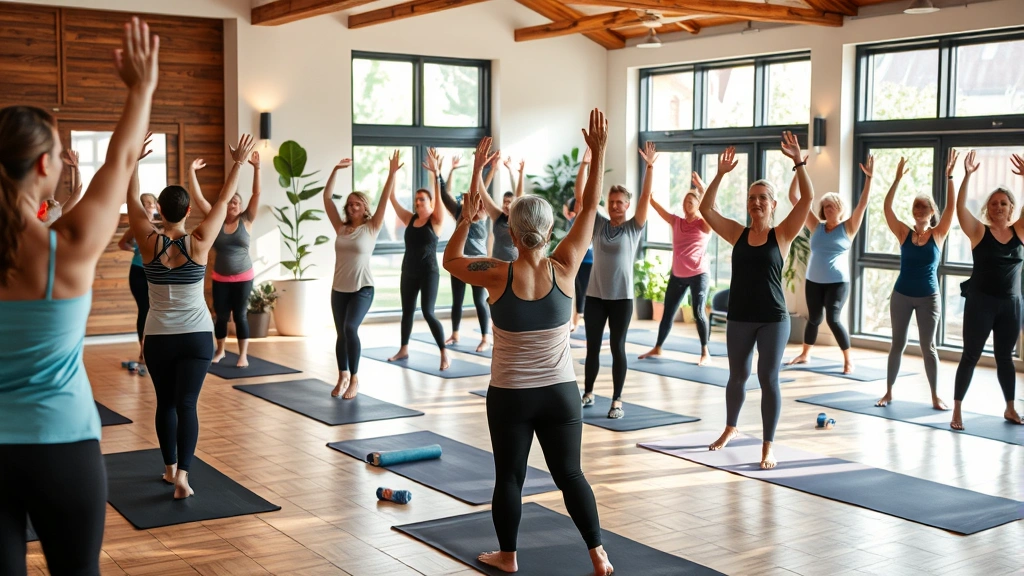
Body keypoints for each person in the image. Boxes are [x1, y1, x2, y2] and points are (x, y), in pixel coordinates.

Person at [0, 17, 157, 575]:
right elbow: (118, 163)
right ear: (46, 165)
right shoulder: (65, 252)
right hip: (60, 447)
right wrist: (141, 89)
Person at [442, 116, 614, 576]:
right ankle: (598, 554)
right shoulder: (567, 264)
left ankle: (509, 556)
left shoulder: (497, 273)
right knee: (571, 475)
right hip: (560, 393)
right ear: (552, 227)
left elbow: (451, 260)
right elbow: (593, 204)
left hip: (511, 397)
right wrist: (597, 154)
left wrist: (466, 213)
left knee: (511, 479)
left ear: (511, 233)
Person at [128, 133, 255, 500]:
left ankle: (168, 469)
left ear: (159, 212)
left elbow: (132, 200)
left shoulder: (147, 240)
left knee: (165, 403)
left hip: (159, 337)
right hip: (197, 335)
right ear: (187, 212)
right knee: (187, 404)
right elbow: (220, 202)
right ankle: (183, 476)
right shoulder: (198, 241)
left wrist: (134, 163)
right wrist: (237, 163)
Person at [699, 133, 813, 469]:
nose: (757, 202)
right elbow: (706, 209)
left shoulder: (783, 234)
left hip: (773, 318)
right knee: (737, 376)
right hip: (740, 316)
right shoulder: (737, 233)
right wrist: (719, 174)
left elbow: (807, 199)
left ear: (773, 204)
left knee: (768, 379)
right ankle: (730, 428)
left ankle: (767, 445)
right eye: (752, 197)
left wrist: (798, 161)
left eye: (763, 197)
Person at [578, 143, 656, 419]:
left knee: (617, 347)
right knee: (592, 347)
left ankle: (617, 400)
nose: (614, 206)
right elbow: (583, 198)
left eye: (619, 202)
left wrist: (649, 167)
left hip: (622, 298)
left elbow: (646, 195)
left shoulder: (634, 227)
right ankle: (588, 392)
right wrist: (585, 166)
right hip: (596, 296)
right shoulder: (598, 224)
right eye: (611, 202)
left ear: (627, 205)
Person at [876, 152, 957, 410]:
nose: (919, 209)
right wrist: (897, 179)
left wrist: (950, 177)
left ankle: (934, 395)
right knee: (897, 344)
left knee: (928, 347)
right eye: (915, 206)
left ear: (932, 211)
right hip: (901, 295)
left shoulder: (938, 234)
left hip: (928, 297)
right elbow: (887, 208)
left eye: (924, 206)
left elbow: (953, 208)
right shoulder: (904, 233)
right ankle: (888, 392)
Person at [950, 150, 1024, 429]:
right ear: (988, 208)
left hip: (1011, 304)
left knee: (1005, 357)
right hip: (981, 302)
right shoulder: (979, 231)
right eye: (994, 203)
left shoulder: (1020, 231)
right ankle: (957, 410)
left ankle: (1010, 408)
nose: (999, 206)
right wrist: (966, 176)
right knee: (971, 354)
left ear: (1011, 207)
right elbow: (960, 210)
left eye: (1004, 203)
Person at [785, 156, 875, 374]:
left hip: (837, 282)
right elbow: (794, 197)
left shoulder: (848, 227)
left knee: (833, 319)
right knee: (814, 318)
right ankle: (805, 354)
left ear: (839, 207)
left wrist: (869, 179)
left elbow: (863, 204)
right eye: (824, 206)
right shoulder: (816, 225)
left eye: (831, 205)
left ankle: (848, 360)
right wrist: (799, 169)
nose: (827, 209)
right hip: (813, 280)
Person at [323, 151, 398, 398]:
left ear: (364, 207)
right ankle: (342, 375)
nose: (353, 207)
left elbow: (385, 198)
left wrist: (391, 174)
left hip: (362, 288)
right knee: (340, 333)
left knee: (350, 328)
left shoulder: (372, 227)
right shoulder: (341, 228)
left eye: (357, 204)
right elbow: (326, 198)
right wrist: (335, 170)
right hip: (339, 289)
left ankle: (355, 379)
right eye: (350, 204)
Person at [638, 174, 712, 366]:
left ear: (698, 204)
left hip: (699, 274)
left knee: (698, 311)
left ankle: (705, 352)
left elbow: (711, 211)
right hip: (678, 274)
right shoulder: (676, 221)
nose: (688, 204)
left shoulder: (704, 225)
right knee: (668, 312)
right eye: (686, 201)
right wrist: (651, 198)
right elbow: (659, 210)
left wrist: (703, 190)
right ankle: (658, 347)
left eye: (692, 201)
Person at [387, 152, 449, 371]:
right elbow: (392, 199)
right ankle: (404, 348)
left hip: (428, 272)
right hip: (408, 272)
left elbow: (440, 198)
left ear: (430, 202)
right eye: (416, 200)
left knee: (427, 312)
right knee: (407, 311)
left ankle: (443, 352)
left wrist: (436, 174)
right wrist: (392, 174)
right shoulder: (410, 218)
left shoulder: (436, 220)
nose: (418, 202)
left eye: (422, 199)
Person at [206, 151, 261, 368]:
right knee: (220, 316)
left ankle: (243, 355)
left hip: (243, 277)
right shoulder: (217, 221)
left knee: (240, 315)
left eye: (236, 202)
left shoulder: (246, 220)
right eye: (230, 202)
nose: (233, 206)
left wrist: (256, 168)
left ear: (240, 205)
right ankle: (220, 351)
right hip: (220, 277)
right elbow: (201, 201)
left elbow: (257, 193)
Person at [434, 151, 492, 352]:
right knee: (456, 300)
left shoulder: (482, 212)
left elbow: (478, 189)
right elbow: (443, 193)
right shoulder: (460, 212)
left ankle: (485, 337)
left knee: (479, 301)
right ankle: (455, 333)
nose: (467, 199)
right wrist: (439, 172)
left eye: (470, 197)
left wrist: (484, 169)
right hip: (459, 260)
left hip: (477, 263)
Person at [118, 192, 161, 362]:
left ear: (157, 206)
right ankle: (143, 350)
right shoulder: (135, 227)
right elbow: (122, 243)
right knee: (144, 310)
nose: (148, 206)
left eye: (150, 203)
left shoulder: (162, 226)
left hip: (155, 273)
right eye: (144, 203)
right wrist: (135, 250)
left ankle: (157, 347)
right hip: (137, 272)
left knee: (155, 311)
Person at [564, 149, 594, 332]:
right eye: (575, 203)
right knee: (573, 289)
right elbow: (578, 194)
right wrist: (583, 165)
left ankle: (579, 319)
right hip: (575, 259)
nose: (577, 203)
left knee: (584, 291)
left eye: (579, 202)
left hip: (589, 259)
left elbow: (581, 192)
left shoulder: (589, 215)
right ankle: (573, 320)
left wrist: (586, 165)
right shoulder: (573, 219)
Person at [477, 153, 525, 262]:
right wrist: (478, 170)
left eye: (509, 202)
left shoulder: (518, 219)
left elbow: (519, 196)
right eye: (504, 202)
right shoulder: (498, 216)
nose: (506, 204)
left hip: (513, 265)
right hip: (496, 263)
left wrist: (519, 173)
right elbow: (482, 194)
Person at [38, 149, 84, 226]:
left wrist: (76, 168)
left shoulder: (58, 213)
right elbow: (77, 192)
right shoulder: (58, 214)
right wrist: (76, 168)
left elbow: (77, 192)